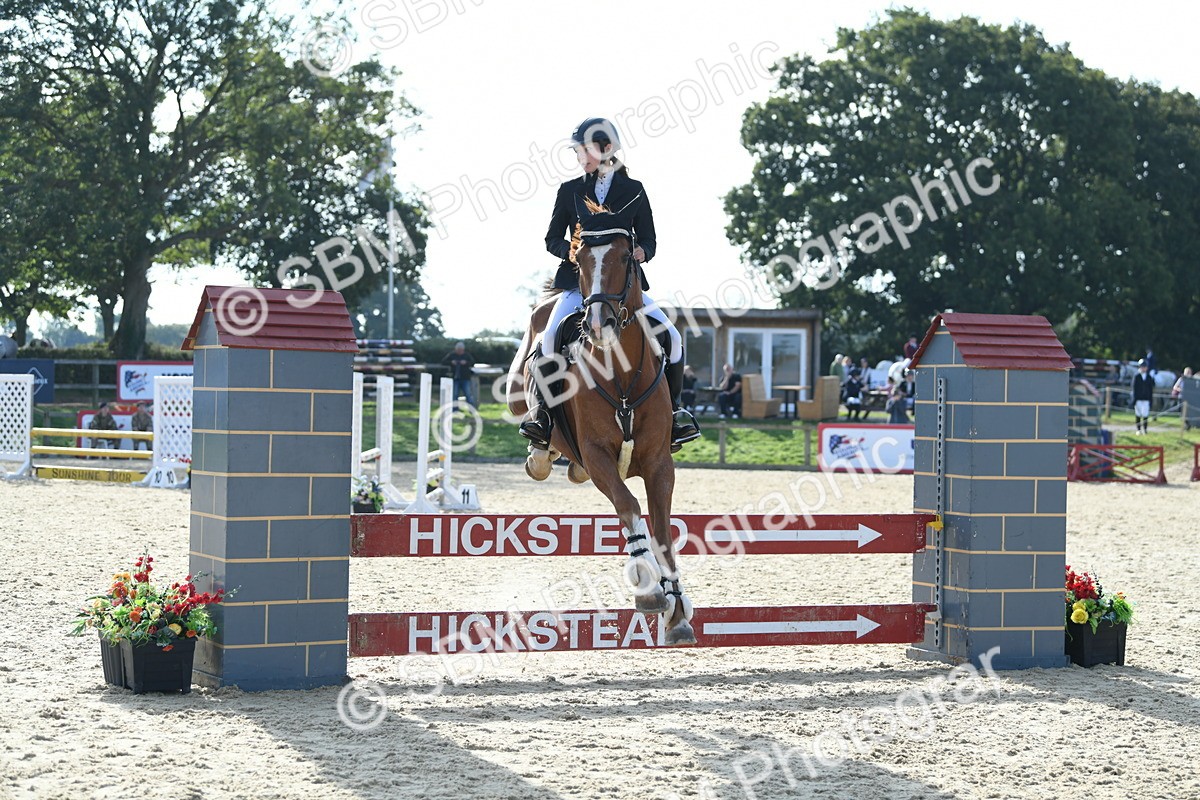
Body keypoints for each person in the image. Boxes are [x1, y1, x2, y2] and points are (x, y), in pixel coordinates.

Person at [520, 117, 699, 450]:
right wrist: (575, 254)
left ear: (606, 149)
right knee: (549, 339)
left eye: (584, 150)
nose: (579, 157)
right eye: (577, 151)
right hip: (579, 287)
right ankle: (543, 417)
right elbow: (551, 239)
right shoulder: (570, 190)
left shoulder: (634, 190)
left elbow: (649, 238)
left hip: (623, 291)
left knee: (673, 339)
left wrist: (642, 252)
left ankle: (675, 415)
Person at [441, 342, 476, 407]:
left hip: (465, 378)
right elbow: (443, 362)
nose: (459, 351)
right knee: (455, 395)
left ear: (463, 350)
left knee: (468, 394)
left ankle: (471, 409)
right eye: (458, 350)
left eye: (460, 350)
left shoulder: (467, 355)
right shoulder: (452, 355)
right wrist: (451, 362)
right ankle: (455, 409)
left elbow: (473, 362)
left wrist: (466, 362)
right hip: (455, 378)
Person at [1132, 359, 1155, 434]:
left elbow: (1151, 389)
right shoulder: (1137, 376)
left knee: (1145, 414)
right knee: (1138, 414)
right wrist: (1134, 399)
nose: (1143, 368)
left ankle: (1145, 429)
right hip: (1138, 398)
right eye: (1142, 367)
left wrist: (1151, 399)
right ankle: (1138, 429)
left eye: (1144, 367)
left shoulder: (1149, 377)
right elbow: (1134, 388)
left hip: (1146, 399)